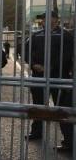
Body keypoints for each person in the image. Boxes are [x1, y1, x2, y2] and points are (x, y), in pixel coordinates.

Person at [24, 11, 74, 152]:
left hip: (59, 77)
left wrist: (49, 67)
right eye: (44, 19)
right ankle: (37, 132)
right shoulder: (36, 35)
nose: (46, 21)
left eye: (49, 18)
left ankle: (69, 140)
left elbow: (67, 55)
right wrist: (33, 64)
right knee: (38, 105)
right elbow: (26, 51)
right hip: (38, 76)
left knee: (61, 108)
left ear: (56, 19)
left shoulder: (65, 35)